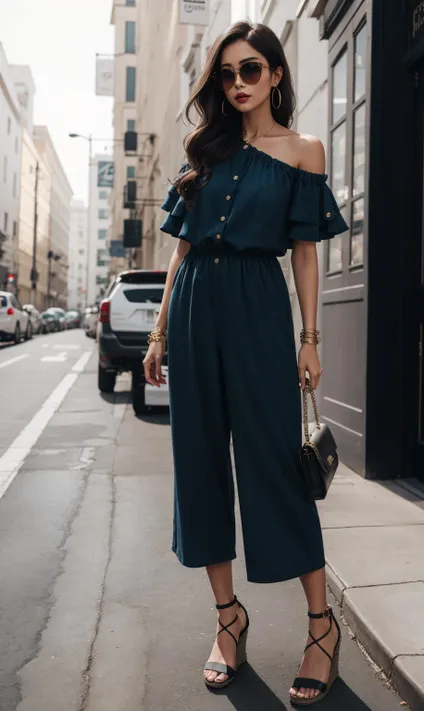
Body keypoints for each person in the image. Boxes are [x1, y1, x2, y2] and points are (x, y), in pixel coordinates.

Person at [143, 21, 348, 706]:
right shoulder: (206, 150)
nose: (237, 84)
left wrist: (310, 338)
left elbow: (306, 251)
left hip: (260, 305)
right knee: (199, 462)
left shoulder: (304, 151)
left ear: (277, 75)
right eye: (227, 73)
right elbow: (179, 250)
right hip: (198, 305)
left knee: (273, 465)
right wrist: (159, 332)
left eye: (251, 70)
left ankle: (321, 626)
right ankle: (228, 619)